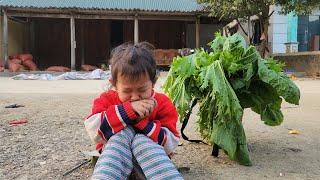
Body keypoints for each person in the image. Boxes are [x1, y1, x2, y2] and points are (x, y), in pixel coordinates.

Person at [84, 42, 183, 179]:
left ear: (153, 83)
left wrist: (143, 124)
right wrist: (127, 111)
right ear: (115, 85)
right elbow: (94, 130)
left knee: (140, 141)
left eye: (142, 90)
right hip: (115, 163)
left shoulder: (163, 103)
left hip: (151, 164)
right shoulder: (106, 100)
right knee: (121, 136)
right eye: (127, 91)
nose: (135, 97)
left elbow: (171, 143)